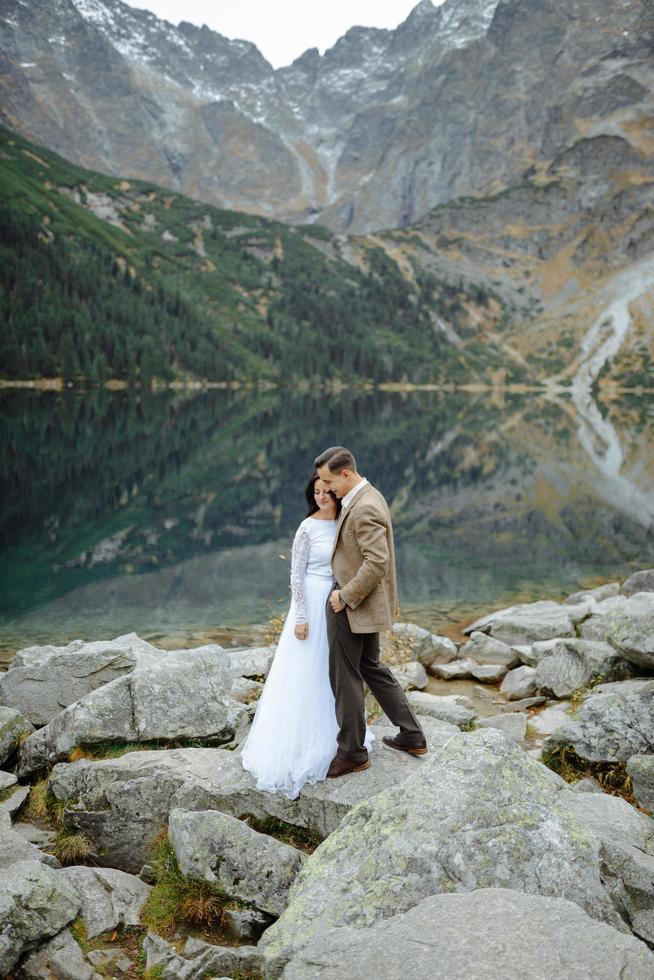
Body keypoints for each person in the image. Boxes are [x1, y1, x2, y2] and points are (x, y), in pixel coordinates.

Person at [240, 472, 374, 799]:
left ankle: (342, 740)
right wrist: (300, 617)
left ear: (337, 492)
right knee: (305, 673)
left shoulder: (345, 521)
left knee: (336, 671)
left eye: (327, 491)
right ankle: (298, 745)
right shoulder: (307, 528)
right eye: (316, 491)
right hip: (312, 605)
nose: (321, 496)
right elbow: (296, 576)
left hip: (338, 602)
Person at [315, 446, 427, 778]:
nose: (327, 488)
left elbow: (377, 562)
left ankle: (352, 752)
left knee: (345, 676)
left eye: (329, 481)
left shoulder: (364, 507)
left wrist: (344, 596)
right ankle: (411, 734)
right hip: (364, 606)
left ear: (346, 474)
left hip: (351, 606)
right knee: (371, 667)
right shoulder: (369, 496)